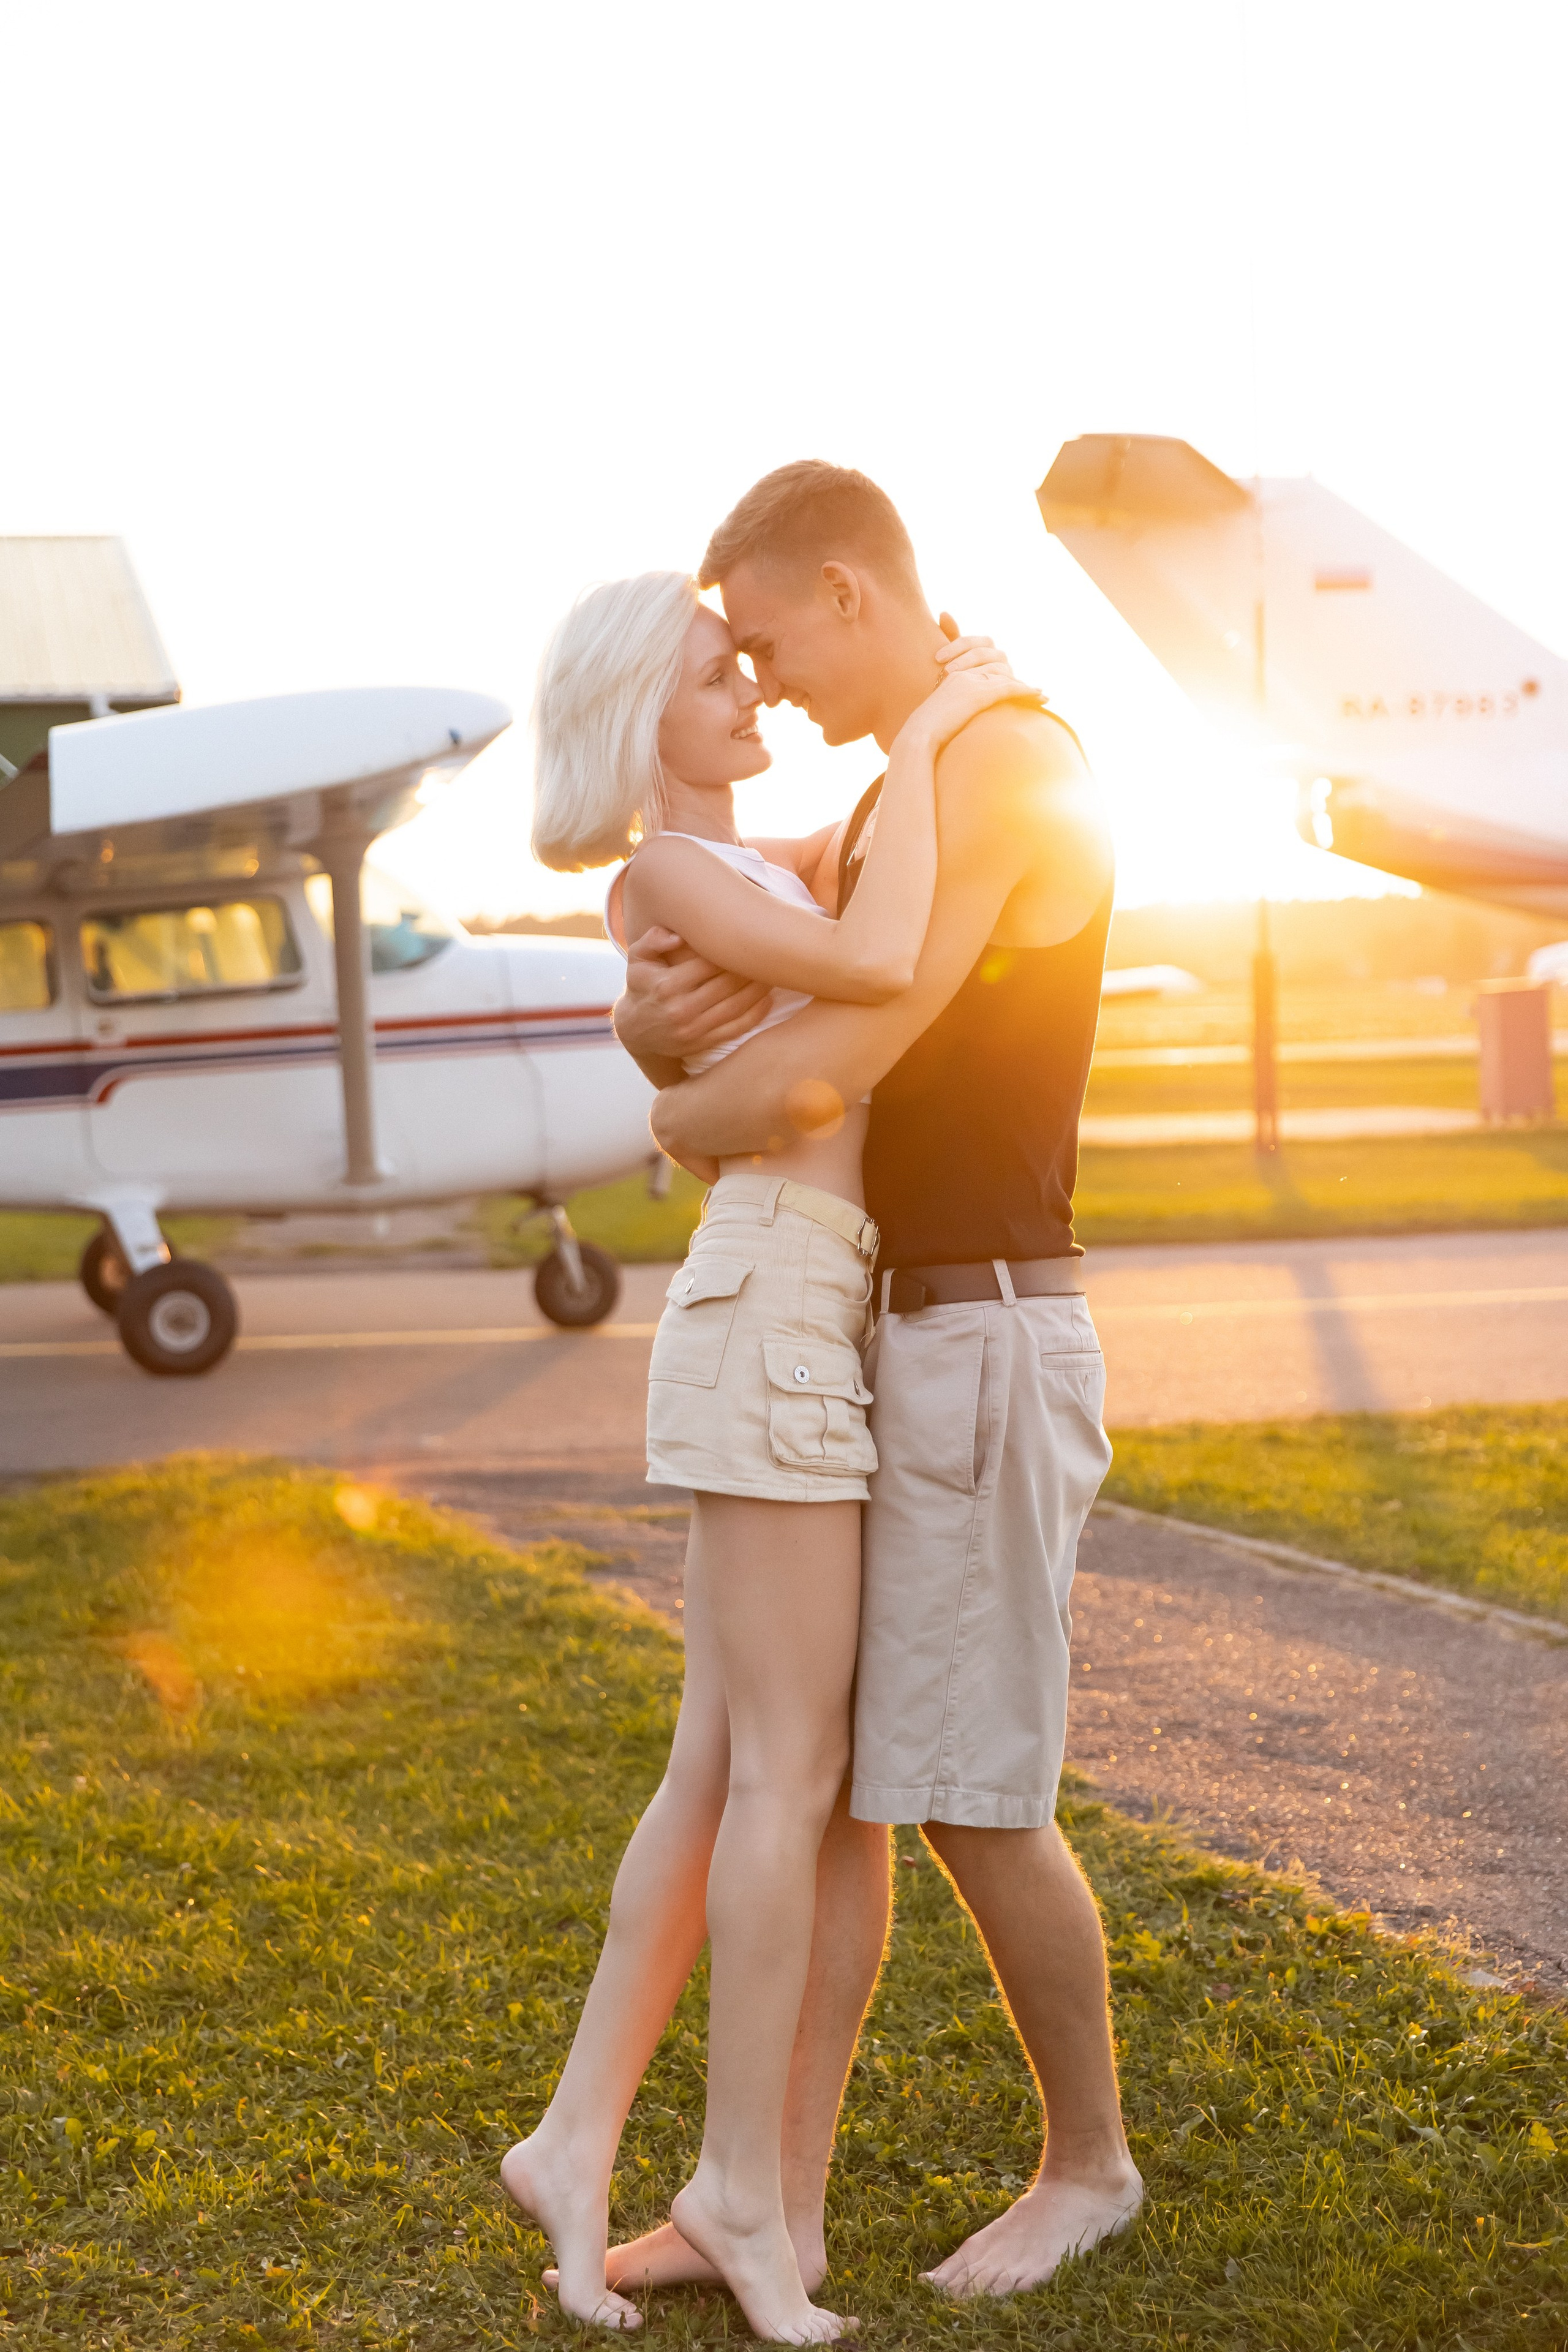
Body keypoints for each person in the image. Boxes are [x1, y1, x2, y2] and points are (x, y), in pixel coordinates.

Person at [607, 461, 1143, 2305]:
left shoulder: (999, 763)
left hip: (987, 1331)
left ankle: (1091, 2166)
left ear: (848, 591)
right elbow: (734, 1000)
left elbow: (829, 1062)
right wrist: (654, 1024)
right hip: (891, 1331)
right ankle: (765, 2208)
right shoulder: (900, 790)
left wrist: (676, 1105)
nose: (770, 685)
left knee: (980, 1795)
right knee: (833, 1797)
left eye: (767, 643)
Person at [500, 565, 1032, 2340]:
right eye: (720, 675)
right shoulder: (668, 870)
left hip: (788, 1308)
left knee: (723, 1761)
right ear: (642, 708)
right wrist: (961, 708)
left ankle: (576, 2142)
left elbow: (868, 848)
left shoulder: (738, 866)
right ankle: (734, 2190)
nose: (755, 697)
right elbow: (885, 950)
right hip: (778, 1314)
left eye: (750, 665)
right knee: (790, 1775)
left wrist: (945, 699)